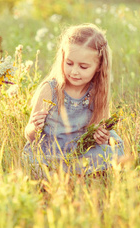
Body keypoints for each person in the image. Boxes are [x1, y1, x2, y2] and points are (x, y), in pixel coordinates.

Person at [23, 23, 124, 175]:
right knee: (40, 163)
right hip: (52, 152)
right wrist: (35, 127)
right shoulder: (50, 90)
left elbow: (99, 131)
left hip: (81, 152)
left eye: (83, 67)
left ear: (98, 66)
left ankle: (71, 172)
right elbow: (29, 135)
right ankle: (68, 172)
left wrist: (101, 137)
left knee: (114, 149)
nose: (74, 71)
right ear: (62, 58)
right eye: (69, 63)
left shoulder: (98, 93)